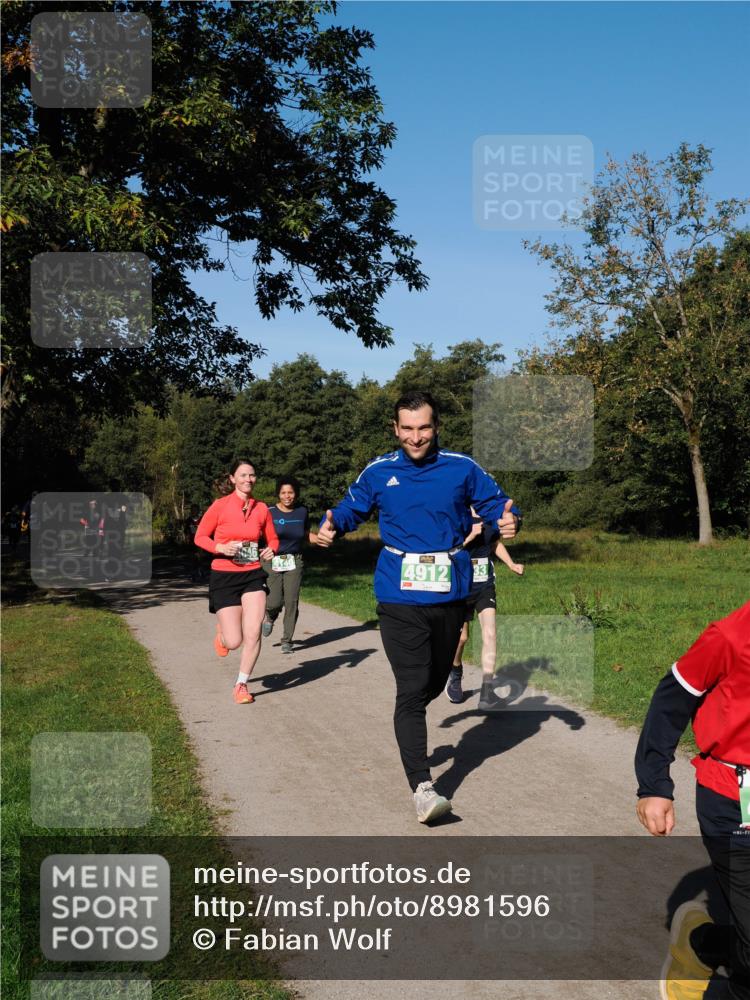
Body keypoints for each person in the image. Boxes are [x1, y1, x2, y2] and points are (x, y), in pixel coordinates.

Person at [315, 390, 520, 823]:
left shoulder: (462, 468)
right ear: (395, 429)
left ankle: (417, 709)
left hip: (449, 592)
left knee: (431, 681)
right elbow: (350, 510)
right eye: (407, 428)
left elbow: (497, 504)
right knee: (411, 689)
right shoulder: (379, 471)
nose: (415, 437)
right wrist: (330, 526)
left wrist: (510, 519)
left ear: (436, 426)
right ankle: (422, 787)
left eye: (423, 427)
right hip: (397, 592)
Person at [634, 602, 750, 1000]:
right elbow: (671, 701)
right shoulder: (732, 636)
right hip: (734, 804)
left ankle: (702, 943)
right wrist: (653, 785)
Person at [194, 460, 279, 705]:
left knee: (253, 632)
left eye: (252, 475)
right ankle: (222, 635)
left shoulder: (262, 508)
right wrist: (219, 546)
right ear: (232, 478)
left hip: (252, 573)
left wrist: (271, 550)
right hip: (224, 574)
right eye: (243, 475)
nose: (248, 479)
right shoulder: (220, 506)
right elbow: (200, 536)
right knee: (234, 641)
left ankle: (241, 684)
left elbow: (272, 539)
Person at [446, 508, 525, 710]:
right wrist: (471, 535)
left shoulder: (490, 515)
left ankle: (487, 690)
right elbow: (448, 550)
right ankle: (455, 672)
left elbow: (495, 544)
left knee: (490, 634)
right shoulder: (456, 515)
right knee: (461, 639)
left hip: (484, 585)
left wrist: (511, 564)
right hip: (461, 587)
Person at [261, 477, 313, 654]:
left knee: (291, 601)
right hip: (271, 559)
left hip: (294, 560)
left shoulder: (302, 511)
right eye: (283, 492)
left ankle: (287, 640)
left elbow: (306, 535)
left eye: (290, 492)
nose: (287, 496)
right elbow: (256, 533)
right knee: (274, 600)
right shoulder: (268, 511)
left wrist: (323, 538)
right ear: (278, 494)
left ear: (296, 493)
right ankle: (270, 615)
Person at [184, 503, 206, 582]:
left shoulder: (202, 519)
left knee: (200, 558)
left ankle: (201, 572)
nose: (194, 511)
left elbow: (206, 529)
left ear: (198, 511)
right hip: (191, 542)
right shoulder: (188, 520)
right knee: (192, 559)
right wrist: (186, 539)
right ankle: (192, 574)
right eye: (192, 510)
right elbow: (186, 531)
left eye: (195, 510)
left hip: (200, 542)